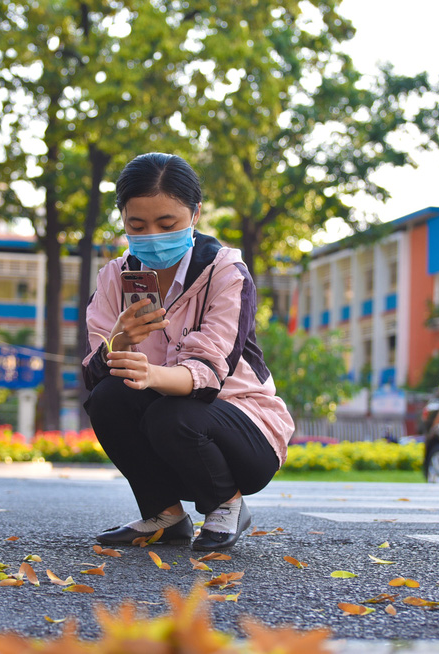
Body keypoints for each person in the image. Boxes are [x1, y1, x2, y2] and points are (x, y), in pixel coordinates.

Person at [82, 153, 294, 551]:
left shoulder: (226, 272)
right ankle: (165, 515)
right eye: (137, 225)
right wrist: (120, 341)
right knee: (107, 397)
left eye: (167, 224)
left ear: (195, 215)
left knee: (171, 413)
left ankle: (227, 504)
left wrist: (151, 376)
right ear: (123, 219)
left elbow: (209, 373)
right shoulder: (114, 276)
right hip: (165, 427)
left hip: (244, 431)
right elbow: (94, 374)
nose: (152, 236)